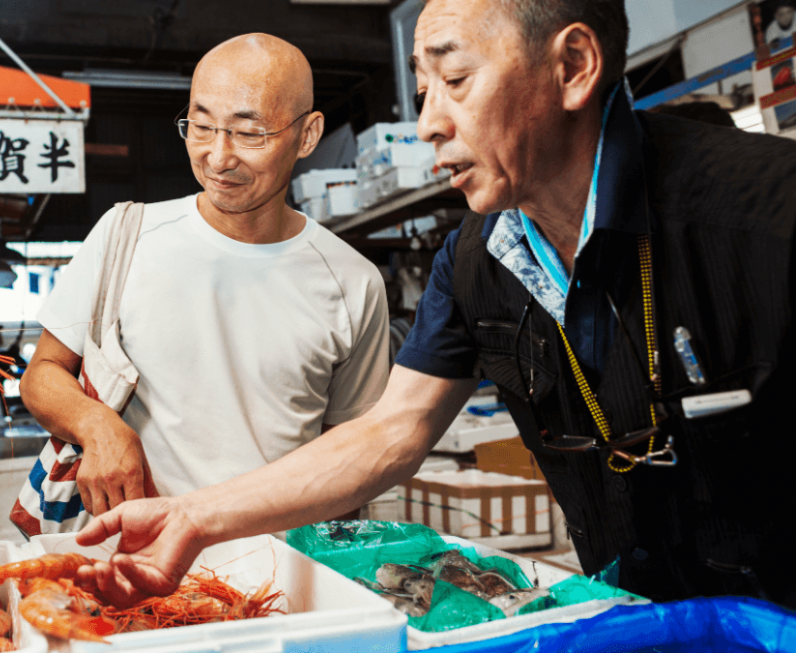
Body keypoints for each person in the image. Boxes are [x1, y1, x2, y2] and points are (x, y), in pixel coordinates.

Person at [75, 0, 796, 610]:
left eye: (455, 80)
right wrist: (191, 517)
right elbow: (390, 431)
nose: (428, 122)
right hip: (636, 616)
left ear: (573, 67)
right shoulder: (477, 256)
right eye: (424, 88)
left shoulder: (769, 217)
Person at [16, 33, 389, 533]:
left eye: (248, 133)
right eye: (201, 126)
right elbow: (42, 374)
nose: (218, 157)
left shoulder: (353, 282)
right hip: (134, 552)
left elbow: (350, 454)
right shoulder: (126, 234)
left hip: (281, 568)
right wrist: (95, 423)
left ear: (307, 135)